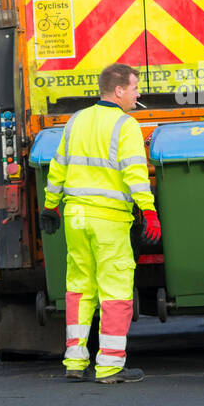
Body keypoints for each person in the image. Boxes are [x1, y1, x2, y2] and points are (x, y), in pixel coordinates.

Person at [39, 63, 159, 384]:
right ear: (118, 91)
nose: (138, 94)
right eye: (134, 88)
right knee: (115, 290)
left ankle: (75, 361)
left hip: (75, 218)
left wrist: (51, 204)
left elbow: (58, 165)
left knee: (79, 288)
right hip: (108, 221)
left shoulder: (76, 120)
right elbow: (135, 174)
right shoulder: (126, 125)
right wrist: (149, 211)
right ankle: (109, 366)